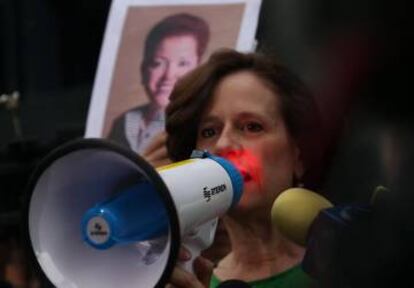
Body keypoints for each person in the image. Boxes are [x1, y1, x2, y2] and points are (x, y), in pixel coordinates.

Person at [164, 49, 324, 287]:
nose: (223, 144)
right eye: (209, 131)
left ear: (298, 154)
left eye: (251, 126)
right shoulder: (194, 281)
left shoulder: (348, 266)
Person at [108, 13, 210, 155]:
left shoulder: (202, 126)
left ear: (199, 69)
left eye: (182, 63)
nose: (168, 75)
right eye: (158, 63)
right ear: (144, 69)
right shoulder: (123, 122)